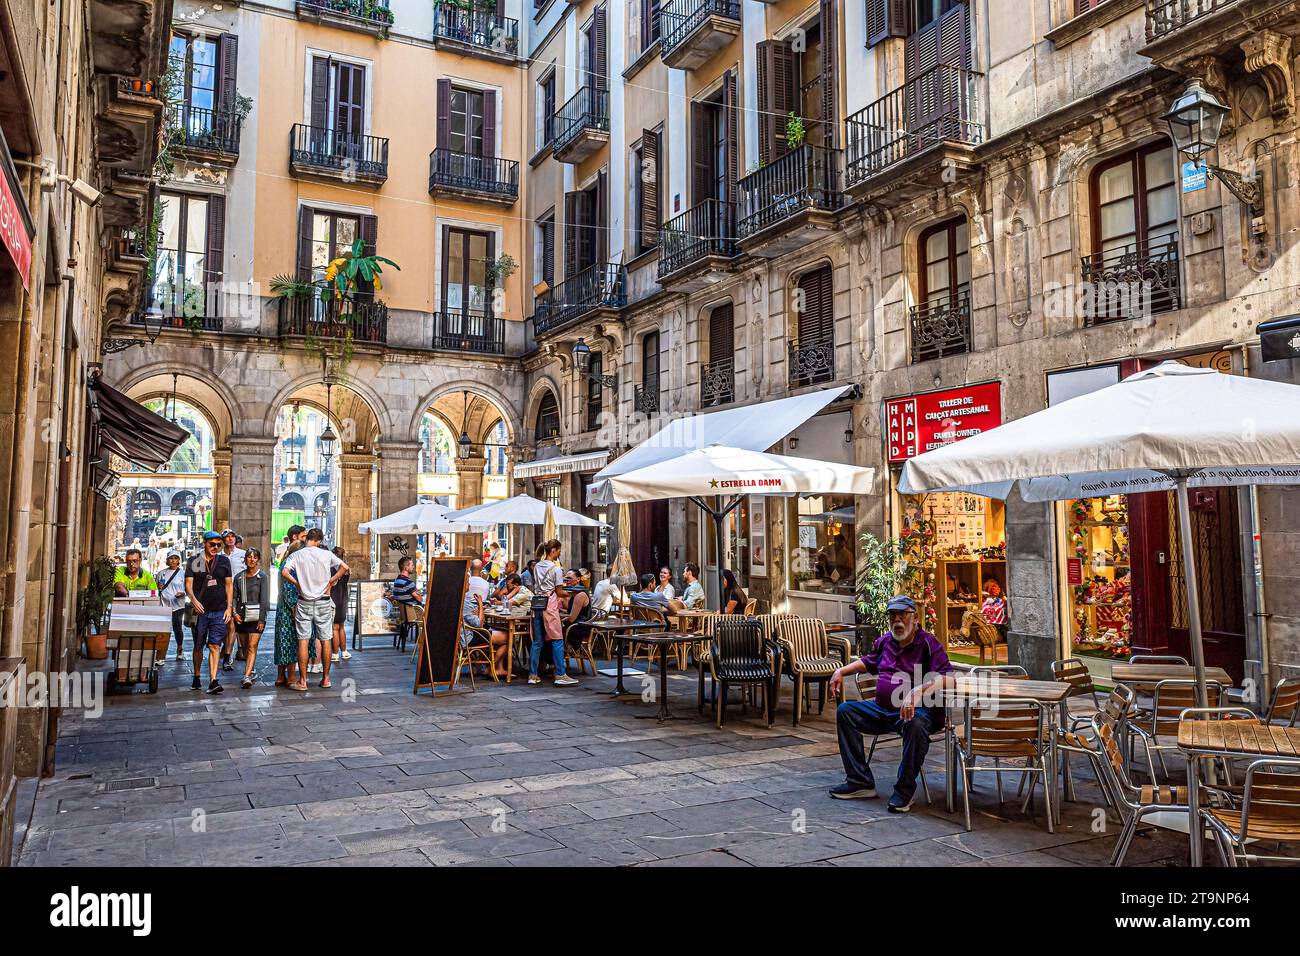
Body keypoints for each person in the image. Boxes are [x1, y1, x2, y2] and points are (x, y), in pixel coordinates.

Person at [828, 595, 956, 813]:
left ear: (915, 618)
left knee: (915, 724)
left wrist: (918, 691)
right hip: (884, 710)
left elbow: (950, 678)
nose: (897, 620)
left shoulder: (927, 643)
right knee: (845, 712)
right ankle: (860, 782)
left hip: (920, 712)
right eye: (893, 615)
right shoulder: (886, 641)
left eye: (902, 614)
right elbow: (868, 662)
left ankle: (904, 792)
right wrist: (840, 671)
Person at [282, 528, 348, 691]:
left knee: (303, 640)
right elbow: (344, 567)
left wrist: (297, 583)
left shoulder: (297, 555)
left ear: (308, 539)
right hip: (323, 601)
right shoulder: (325, 554)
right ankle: (325, 679)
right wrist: (331, 581)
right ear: (318, 540)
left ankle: (303, 681)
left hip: (304, 601)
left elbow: (284, 572)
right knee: (325, 639)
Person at [185, 531, 233, 694]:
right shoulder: (195, 561)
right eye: (212, 544)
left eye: (218, 545)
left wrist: (229, 607)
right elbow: (188, 585)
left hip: (219, 610)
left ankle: (213, 680)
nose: (215, 547)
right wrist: (194, 600)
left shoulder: (224, 561)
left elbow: (229, 585)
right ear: (204, 543)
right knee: (198, 645)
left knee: (214, 644)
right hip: (200, 612)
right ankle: (197, 675)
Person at [528, 539, 578, 686]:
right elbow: (559, 592)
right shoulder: (556, 569)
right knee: (557, 639)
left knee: (537, 641)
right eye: (559, 550)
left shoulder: (537, 566)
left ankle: (533, 675)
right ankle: (561, 674)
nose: (560, 553)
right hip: (549, 605)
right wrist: (572, 594)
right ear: (554, 550)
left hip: (537, 604)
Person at [233, 547, 270, 689]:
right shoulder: (239, 577)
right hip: (241, 617)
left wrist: (262, 620)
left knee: (252, 646)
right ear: (245, 559)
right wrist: (234, 613)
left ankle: (246, 676)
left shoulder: (262, 577)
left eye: (255, 557)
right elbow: (234, 598)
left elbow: (264, 599)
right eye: (249, 557)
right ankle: (252, 670)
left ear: (258, 560)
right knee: (245, 647)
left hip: (256, 617)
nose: (252, 559)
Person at [273, 536, 305, 687]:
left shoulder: (284, 563)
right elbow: (289, 590)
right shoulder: (292, 565)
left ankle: (280, 676)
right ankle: (291, 677)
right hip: (289, 610)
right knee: (291, 642)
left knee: (282, 643)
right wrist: (294, 609)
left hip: (281, 609)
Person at [156, 551, 188, 659]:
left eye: (175, 558)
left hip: (178, 604)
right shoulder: (161, 573)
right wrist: (159, 587)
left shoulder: (183, 573)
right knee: (164, 629)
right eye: (171, 558)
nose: (173, 560)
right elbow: (157, 588)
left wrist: (183, 593)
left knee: (177, 627)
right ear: (167, 560)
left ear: (179, 560)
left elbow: (188, 588)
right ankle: (161, 654)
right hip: (164, 604)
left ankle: (180, 649)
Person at [560, 570, 594, 657]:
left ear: (578, 579)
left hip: (579, 628)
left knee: (553, 634)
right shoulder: (574, 592)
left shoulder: (580, 595)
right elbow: (571, 610)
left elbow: (572, 618)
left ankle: (554, 662)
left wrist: (560, 622)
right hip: (576, 625)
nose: (567, 581)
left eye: (570, 578)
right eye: (566, 579)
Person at [330, 546, 351, 663]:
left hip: (334, 598)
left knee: (334, 628)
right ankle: (344, 651)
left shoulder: (332, 569)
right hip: (343, 599)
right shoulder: (346, 569)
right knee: (341, 627)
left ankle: (335, 653)